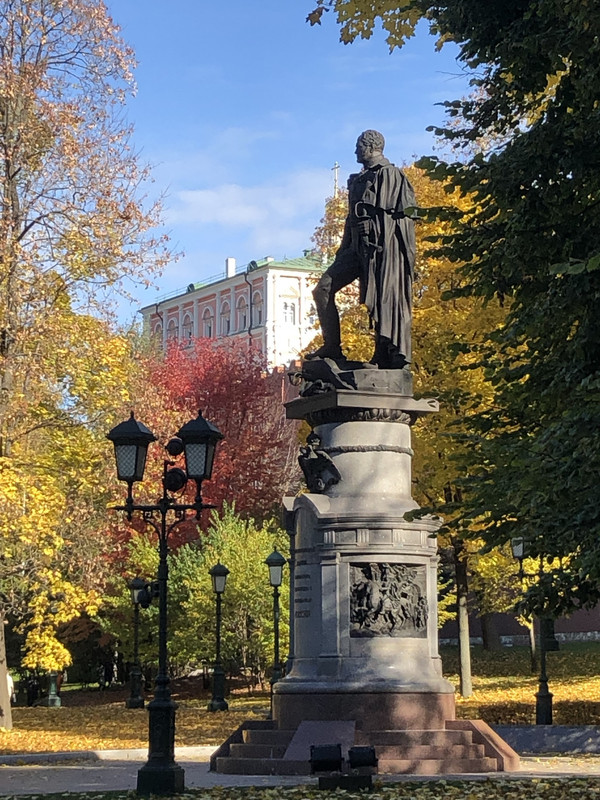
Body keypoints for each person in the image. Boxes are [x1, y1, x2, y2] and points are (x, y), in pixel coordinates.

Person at [307, 130, 416, 369]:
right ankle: (332, 346)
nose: (356, 151)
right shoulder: (359, 179)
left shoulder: (390, 174)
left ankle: (383, 354)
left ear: (371, 147)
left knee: (381, 297)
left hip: (380, 248)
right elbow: (351, 218)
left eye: (359, 146)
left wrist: (375, 232)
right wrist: (343, 247)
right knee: (323, 289)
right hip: (356, 247)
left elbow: (398, 217)